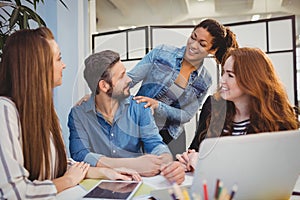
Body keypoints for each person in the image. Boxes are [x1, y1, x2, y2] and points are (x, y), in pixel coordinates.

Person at [0, 27, 141, 199]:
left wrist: (106, 172)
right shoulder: (4, 112)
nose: (64, 65)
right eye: (58, 59)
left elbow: (63, 164)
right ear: (38, 67)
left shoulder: (45, 112)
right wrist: (67, 181)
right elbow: (14, 192)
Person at [68, 50, 185, 184]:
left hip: (136, 183)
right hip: (98, 186)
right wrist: (132, 164)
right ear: (104, 86)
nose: (129, 79)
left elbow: (155, 144)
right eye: (122, 76)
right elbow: (80, 155)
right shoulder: (78, 114)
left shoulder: (139, 107)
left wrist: (166, 164)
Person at [127, 18, 239, 157]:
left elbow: (186, 115)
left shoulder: (205, 80)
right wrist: (105, 89)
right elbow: (130, 79)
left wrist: (158, 106)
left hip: (171, 136)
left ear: (212, 50)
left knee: (171, 176)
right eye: (193, 37)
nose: (193, 45)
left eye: (202, 44)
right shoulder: (162, 53)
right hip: (141, 127)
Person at [177, 47, 299, 171]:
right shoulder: (213, 108)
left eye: (230, 75)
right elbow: (196, 150)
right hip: (211, 188)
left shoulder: (279, 121)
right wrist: (187, 160)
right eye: (223, 73)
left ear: (251, 80)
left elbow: (276, 170)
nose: (222, 80)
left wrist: (206, 163)